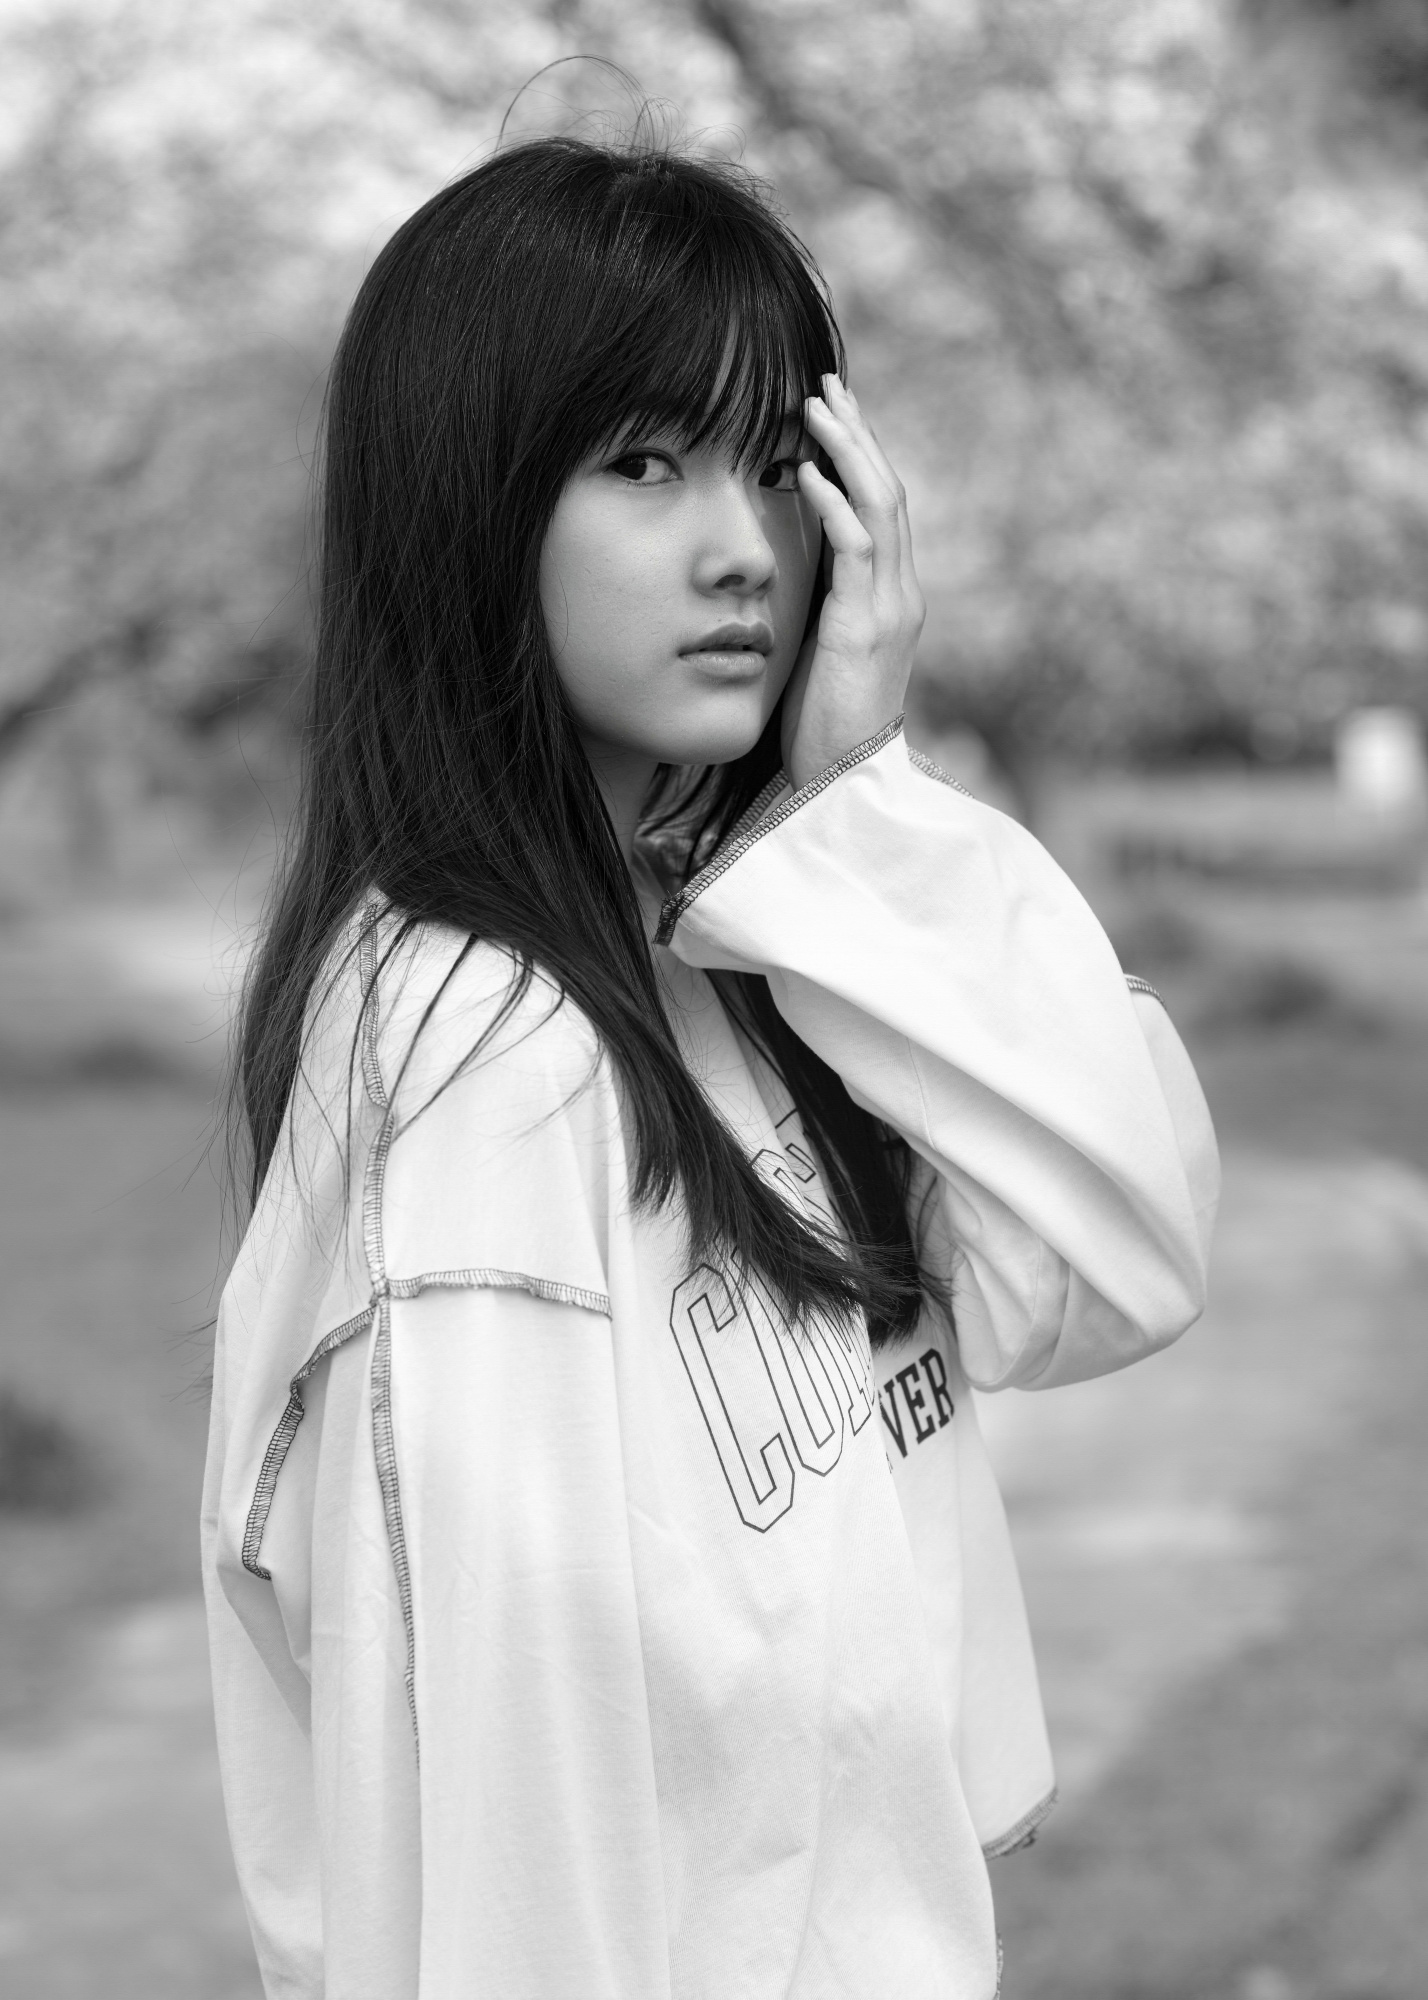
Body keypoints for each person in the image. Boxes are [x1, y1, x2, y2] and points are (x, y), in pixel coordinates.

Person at [204, 134, 1219, 2000]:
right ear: (471, 503)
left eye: (772, 463)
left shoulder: (734, 947)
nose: (746, 547)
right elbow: (511, 1822)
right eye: (644, 463)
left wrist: (854, 809)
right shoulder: (483, 1048)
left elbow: (1108, 1267)